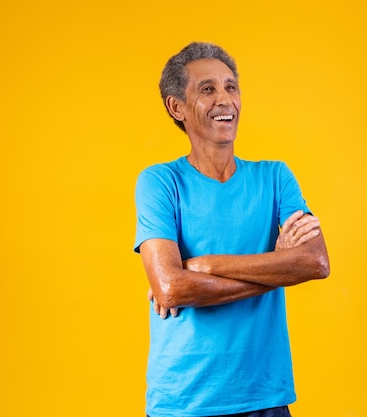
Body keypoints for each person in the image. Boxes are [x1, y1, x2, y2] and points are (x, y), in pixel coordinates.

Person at [134, 42, 330, 417]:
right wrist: (277, 265)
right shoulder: (160, 182)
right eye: (207, 89)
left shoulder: (275, 178)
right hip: (184, 399)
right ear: (177, 107)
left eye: (231, 87)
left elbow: (315, 262)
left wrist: (205, 266)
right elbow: (171, 287)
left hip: (265, 397)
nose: (225, 99)